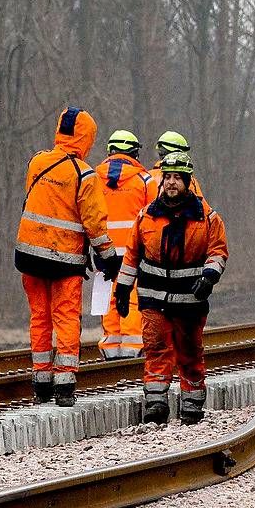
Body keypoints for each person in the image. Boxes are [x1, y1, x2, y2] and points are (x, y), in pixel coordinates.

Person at [114, 148, 229, 426]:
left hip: (190, 300)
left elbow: (218, 252)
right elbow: (132, 255)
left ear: (188, 182)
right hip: (153, 300)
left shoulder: (207, 218)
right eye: (168, 178)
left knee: (189, 351)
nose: (172, 183)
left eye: (178, 177)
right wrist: (122, 288)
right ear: (161, 182)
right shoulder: (146, 217)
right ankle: (156, 403)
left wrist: (209, 277)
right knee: (156, 348)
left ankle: (192, 405)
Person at [15, 107, 119, 406]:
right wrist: (109, 257)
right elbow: (95, 223)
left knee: (39, 317)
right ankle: (64, 385)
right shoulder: (84, 175)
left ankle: (41, 382)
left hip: (29, 256)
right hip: (64, 262)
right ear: (87, 138)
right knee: (66, 318)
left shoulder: (37, 163)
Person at [96, 130, 156, 360]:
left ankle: (111, 347)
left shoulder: (93, 178)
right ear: (135, 153)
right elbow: (153, 218)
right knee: (131, 295)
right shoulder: (144, 181)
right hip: (134, 252)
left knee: (110, 297)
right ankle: (133, 345)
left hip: (104, 251)